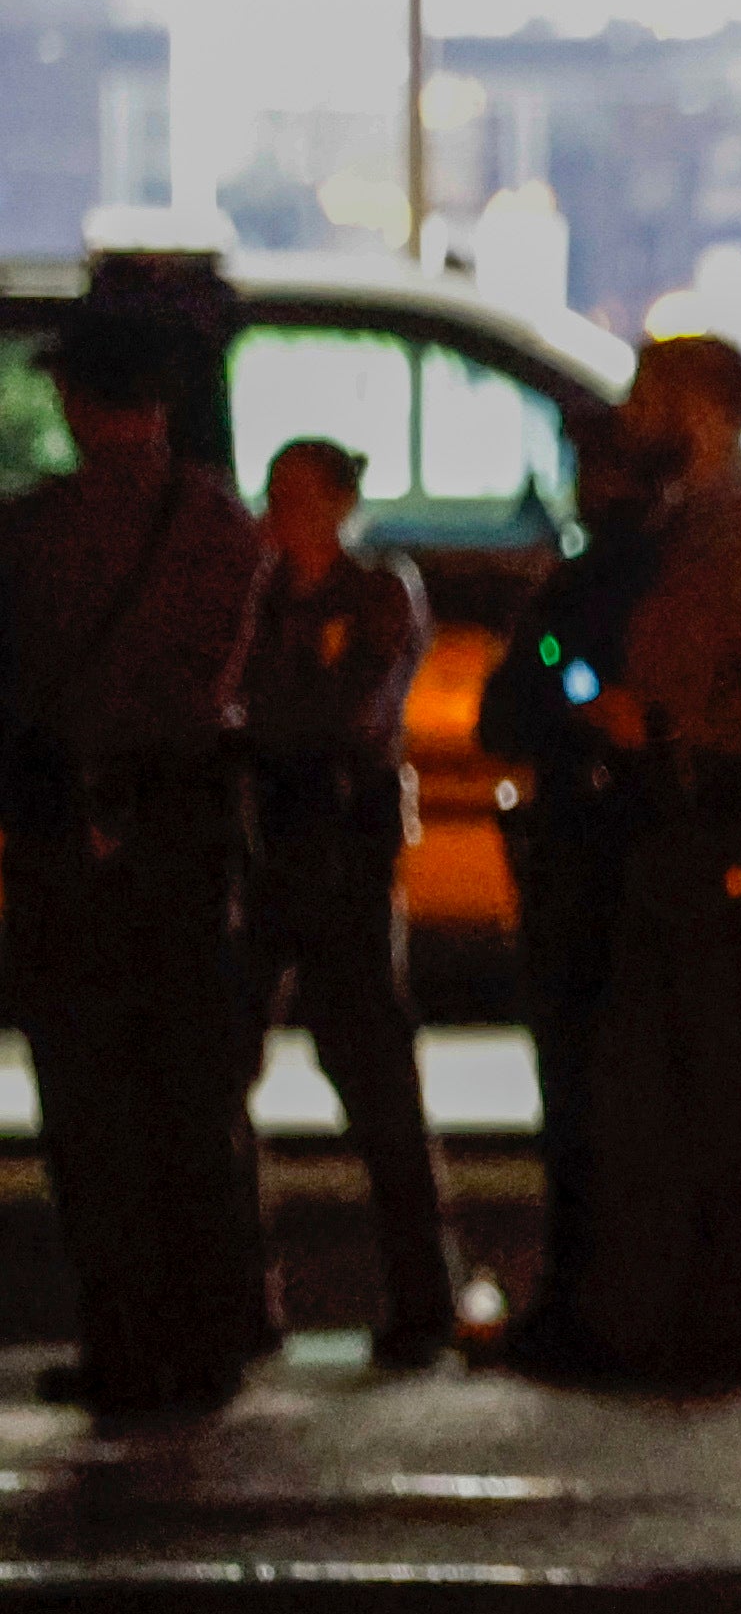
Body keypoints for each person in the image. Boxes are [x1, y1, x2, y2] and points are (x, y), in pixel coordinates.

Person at [500, 333, 741, 1396]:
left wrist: (672, 726)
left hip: (724, 814)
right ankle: (692, 1303)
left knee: (724, 1070)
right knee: (680, 1071)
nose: (634, 410)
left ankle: (733, 1313)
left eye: (652, 393)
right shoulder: (690, 520)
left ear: (700, 406)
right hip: (685, 817)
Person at [5, 306, 271, 1418]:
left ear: (76, 402)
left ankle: (124, 1339)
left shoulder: (31, 531)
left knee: (90, 1097)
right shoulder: (221, 523)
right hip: (187, 832)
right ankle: (209, 1332)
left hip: (72, 834)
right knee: (190, 1089)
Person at [241, 436, 464, 1373]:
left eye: (298, 495)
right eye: (274, 493)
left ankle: (424, 1296)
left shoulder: (377, 590)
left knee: (375, 1076)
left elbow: (341, 711)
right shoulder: (258, 592)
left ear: (338, 500)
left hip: (341, 856)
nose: (280, 511)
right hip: (262, 853)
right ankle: (240, 1301)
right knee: (222, 1073)